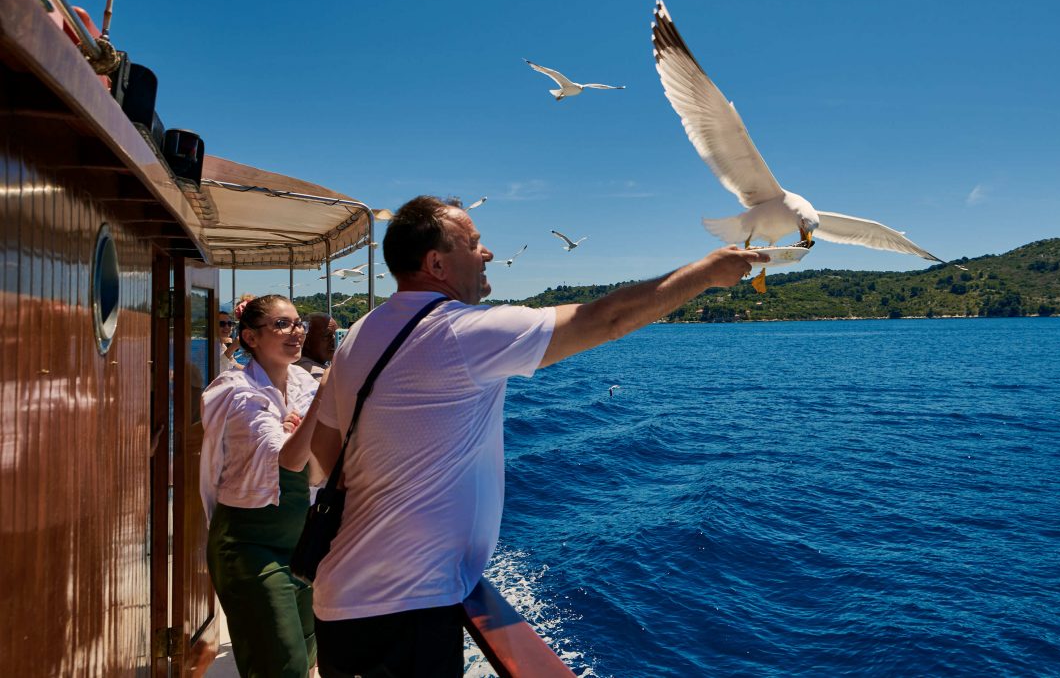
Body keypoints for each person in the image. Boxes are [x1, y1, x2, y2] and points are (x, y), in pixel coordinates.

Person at [309, 196, 765, 677]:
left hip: (339, 599)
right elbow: (605, 319)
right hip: (406, 607)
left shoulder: (360, 333)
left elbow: (322, 456)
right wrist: (707, 272)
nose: (486, 253)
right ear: (436, 263)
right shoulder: (461, 332)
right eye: (475, 243)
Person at [200, 294, 328, 677]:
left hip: (301, 543)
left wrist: (303, 434)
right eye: (282, 324)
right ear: (250, 338)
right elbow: (288, 460)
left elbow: (317, 473)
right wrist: (326, 397)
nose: (297, 331)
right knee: (281, 665)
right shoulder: (235, 391)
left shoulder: (303, 382)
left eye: (298, 323)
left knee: (307, 657)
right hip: (249, 545)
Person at [296, 313, 338, 381]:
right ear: (307, 340)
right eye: (327, 336)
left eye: (336, 334)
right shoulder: (312, 372)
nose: (334, 341)